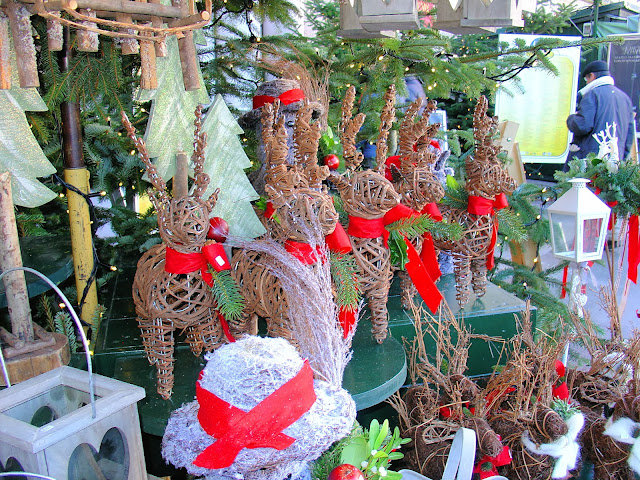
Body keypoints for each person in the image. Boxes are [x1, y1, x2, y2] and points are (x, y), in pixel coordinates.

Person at [565, 60, 635, 171]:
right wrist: (621, 158)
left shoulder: (592, 94)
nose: (586, 83)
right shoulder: (625, 98)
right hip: (616, 160)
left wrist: (571, 119)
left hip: (589, 161)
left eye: (586, 79)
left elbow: (583, 125)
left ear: (591, 76)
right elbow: (630, 134)